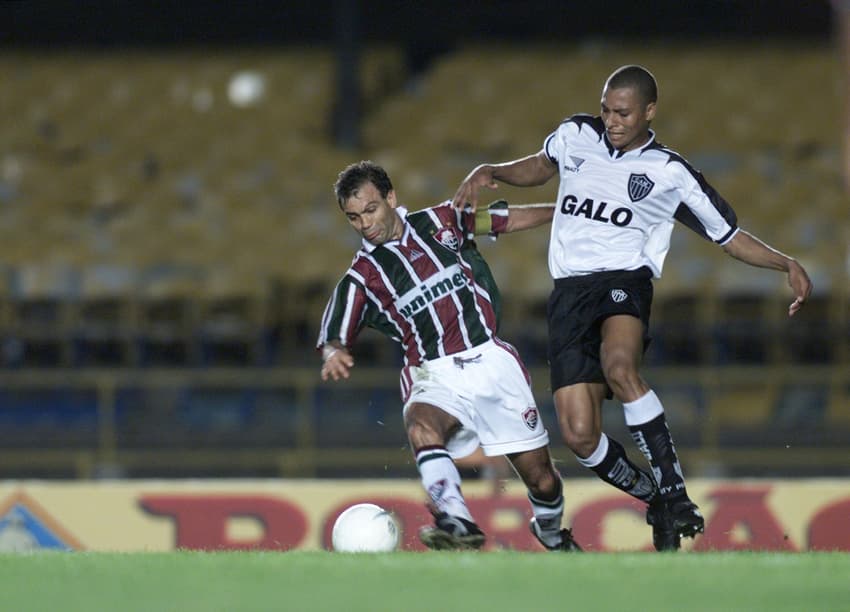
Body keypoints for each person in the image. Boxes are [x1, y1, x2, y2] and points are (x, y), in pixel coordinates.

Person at [451, 64, 813, 551]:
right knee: (580, 438)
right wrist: (492, 170)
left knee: (620, 366)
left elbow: (728, 237)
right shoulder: (577, 134)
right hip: (569, 294)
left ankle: (675, 490)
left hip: (624, 280)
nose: (612, 120)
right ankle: (654, 497)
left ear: (649, 112)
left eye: (622, 112)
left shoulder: (669, 172)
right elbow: (541, 165)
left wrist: (785, 262)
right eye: (606, 109)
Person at [317, 160, 581, 552]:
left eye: (371, 210)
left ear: (391, 198)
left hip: (490, 362)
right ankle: (455, 519)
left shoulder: (441, 221)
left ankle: (550, 529)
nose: (365, 223)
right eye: (354, 218)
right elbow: (335, 326)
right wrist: (333, 351)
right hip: (433, 372)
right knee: (421, 424)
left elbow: (503, 220)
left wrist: (567, 213)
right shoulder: (363, 276)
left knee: (541, 478)